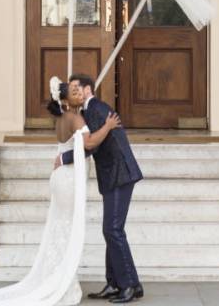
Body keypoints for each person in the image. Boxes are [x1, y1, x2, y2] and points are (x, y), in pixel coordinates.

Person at [0, 77, 120, 306]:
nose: (79, 94)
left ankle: (56, 276)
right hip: (68, 180)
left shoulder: (63, 118)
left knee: (60, 228)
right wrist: (107, 126)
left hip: (60, 178)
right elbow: (88, 144)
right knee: (66, 230)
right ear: (65, 99)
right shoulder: (75, 118)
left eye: (79, 90)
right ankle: (61, 282)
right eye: (74, 91)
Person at [58, 74, 144, 304]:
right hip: (113, 175)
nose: (73, 91)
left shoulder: (95, 108)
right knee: (111, 230)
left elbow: (91, 144)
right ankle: (117, 283)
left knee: (113, 230)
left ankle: (129, 286)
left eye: (76, 87)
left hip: (120, 174)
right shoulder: (88, 111)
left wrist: (64, 157)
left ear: (87, 89)